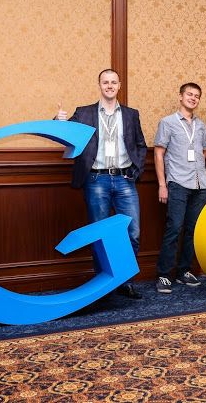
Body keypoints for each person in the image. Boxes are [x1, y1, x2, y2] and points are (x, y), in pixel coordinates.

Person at [56, 69, 147, 298]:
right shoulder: (84, 113)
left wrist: (135, 171)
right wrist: (58, 122)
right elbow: (66, 134)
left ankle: (125, 281)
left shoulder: (131, 114)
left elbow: (140, 144)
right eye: (105, 82)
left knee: (133, 232)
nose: (109, 86)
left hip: (125, 180)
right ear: (99, 85)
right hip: (96, 180)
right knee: (99, 233)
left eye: (113, 82)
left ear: (119, 85)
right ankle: (103, 284)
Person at [154, 83, 206, 294]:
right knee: (174, 228)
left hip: (200, 183)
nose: (193, 98)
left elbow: (204, 152)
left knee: (193, 229)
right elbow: (159, 153)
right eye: (189, 94)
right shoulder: (167, 122)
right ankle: (164, 274)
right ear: (180, 96)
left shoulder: (201, 125)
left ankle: (184, 270)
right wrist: (162, 184)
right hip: (177, 183)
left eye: (197, 96)